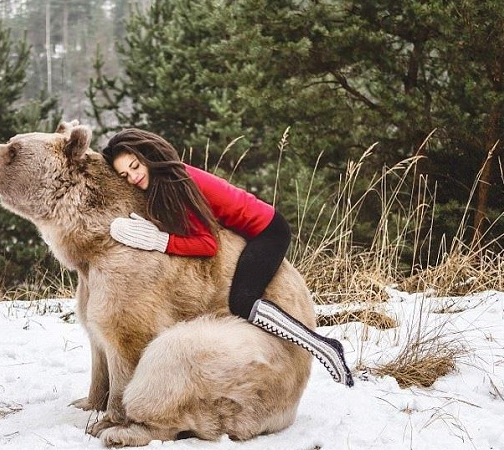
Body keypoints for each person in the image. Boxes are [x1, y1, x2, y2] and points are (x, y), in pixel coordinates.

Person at [102, 128, 353, 387]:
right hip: (249, 233)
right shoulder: (163, 181)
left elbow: (207, 244)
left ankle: (324, 346)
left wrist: (160, 241)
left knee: (242, 302)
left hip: (268, 232)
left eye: (134, 166)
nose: (133, 177)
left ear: (148, 156)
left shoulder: (178, 184)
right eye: (125, 175)